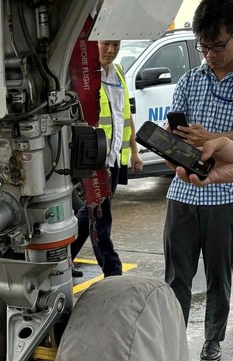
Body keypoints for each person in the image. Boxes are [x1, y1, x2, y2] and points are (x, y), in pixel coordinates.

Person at [163, 0, 233, 361]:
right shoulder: (190, 81)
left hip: (225, 193)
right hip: (182, 192)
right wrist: (168, 146)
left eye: (218, 46)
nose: (210, 54)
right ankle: (174, 341)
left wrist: (208, 137)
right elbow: (173, 132)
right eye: (203, 47)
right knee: (176, 276)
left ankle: (213, 340)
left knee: (218, 278)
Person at [71, 39, 143, 278]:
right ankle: (112, 270)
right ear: (94, 44)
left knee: (90, 214)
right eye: (105, 44)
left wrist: (133, 152)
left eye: (116, 45)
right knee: (100, 216)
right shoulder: (84, 75)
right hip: (94, 163)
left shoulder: (119, 72)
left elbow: (126, 114)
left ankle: (63, 261)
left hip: (114, 160)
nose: (111, 50)